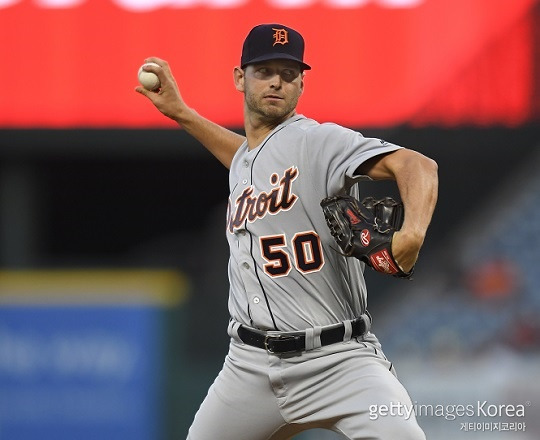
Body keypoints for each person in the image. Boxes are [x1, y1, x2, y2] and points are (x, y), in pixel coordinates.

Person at [136, 23, 438, 440]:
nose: (277, 80)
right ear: (240, 78)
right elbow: (245, 157)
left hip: (339, 361)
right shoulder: (248, 160)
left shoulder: (319, 141)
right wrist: (182, 113)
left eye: (289, 72)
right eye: (264, 70)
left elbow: (418, 165)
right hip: (249, 367)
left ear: (301, 84)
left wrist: (412, 234)